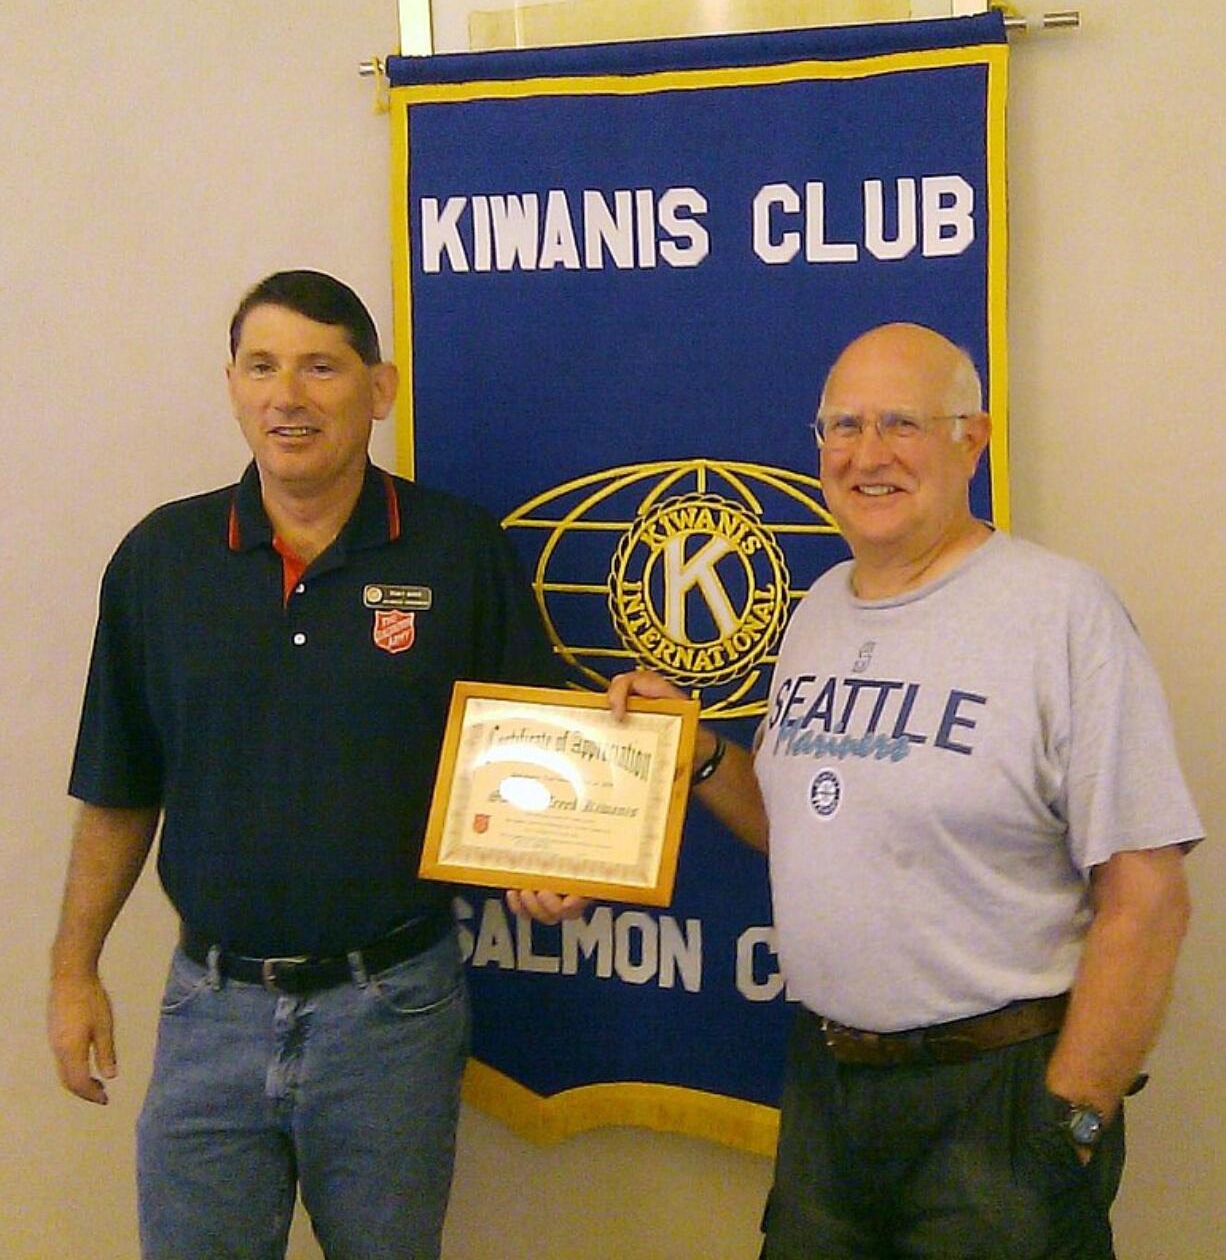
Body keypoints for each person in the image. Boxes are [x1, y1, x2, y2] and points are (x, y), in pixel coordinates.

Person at [610, 322, 1202, 1258]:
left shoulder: (1061, 613)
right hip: (828, 1092)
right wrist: (705, 756)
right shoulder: (818, 611)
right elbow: (805, 826)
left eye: (902, 425)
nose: (866, 455)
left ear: (973, 439)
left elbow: (1148, 897)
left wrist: (1073, 1119)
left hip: (998, 1098)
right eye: (841, 427)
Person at [48, 270, 582, 1260]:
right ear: (233, 384)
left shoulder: (457, 549)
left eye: (319, 367)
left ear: (377, 388)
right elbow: (120, 789)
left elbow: (538, 749)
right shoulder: (162, 560)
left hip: (391, 1011)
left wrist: (550, 864)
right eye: (262, 366)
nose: (287, 396)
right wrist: (73, 970)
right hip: (208, 1009)